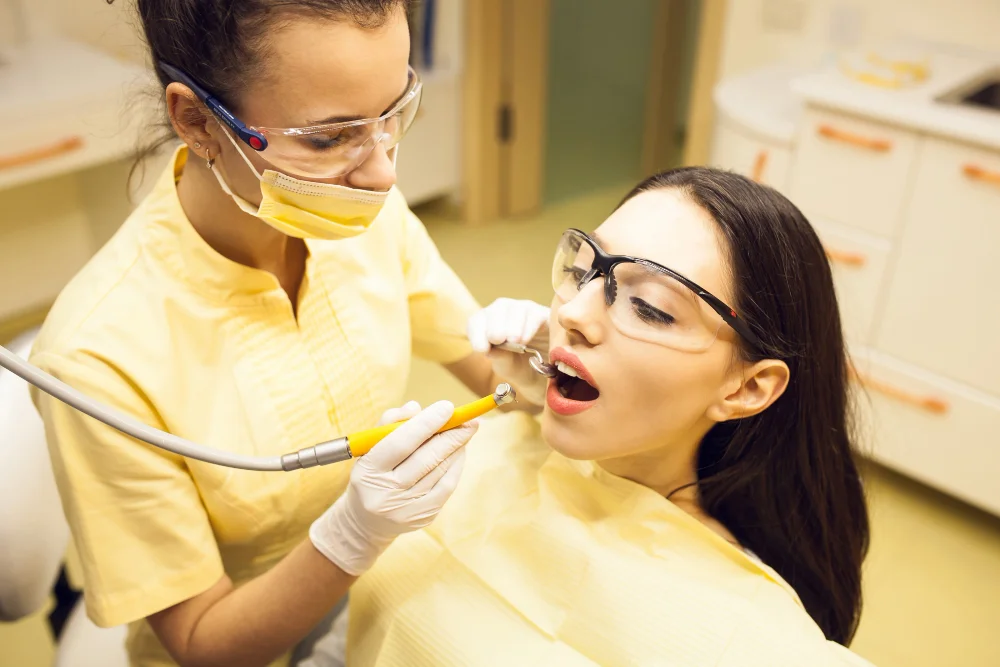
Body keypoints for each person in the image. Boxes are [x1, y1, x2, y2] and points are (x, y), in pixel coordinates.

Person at [29, 2, 530, 666]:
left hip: (379, 591)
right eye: (329, 138)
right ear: (198, 121)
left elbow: (499, 377)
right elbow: (204, 643)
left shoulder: (358, 216)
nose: (383, 173)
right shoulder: (97, 358)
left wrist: (552, 352)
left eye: (392, 113)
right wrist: (351, 536)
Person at [345, 167, 875, 666]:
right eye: (581, 272)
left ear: (748, 387)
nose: (572, 313)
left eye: (650, 308)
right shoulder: (491, 445)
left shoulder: (751, 634)